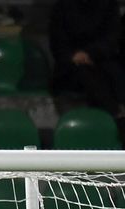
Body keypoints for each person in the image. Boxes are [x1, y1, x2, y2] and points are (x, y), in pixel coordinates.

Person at [50, 0, 125, 142]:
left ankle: (116, 114)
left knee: (108, 72)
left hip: (101, 62)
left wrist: (90, 54)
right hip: (70, 67)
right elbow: (57, 43)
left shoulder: (108, 5)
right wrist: (76, 57)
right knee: (84, 73)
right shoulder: (63, 6)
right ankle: (116, 113)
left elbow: (112, 38)